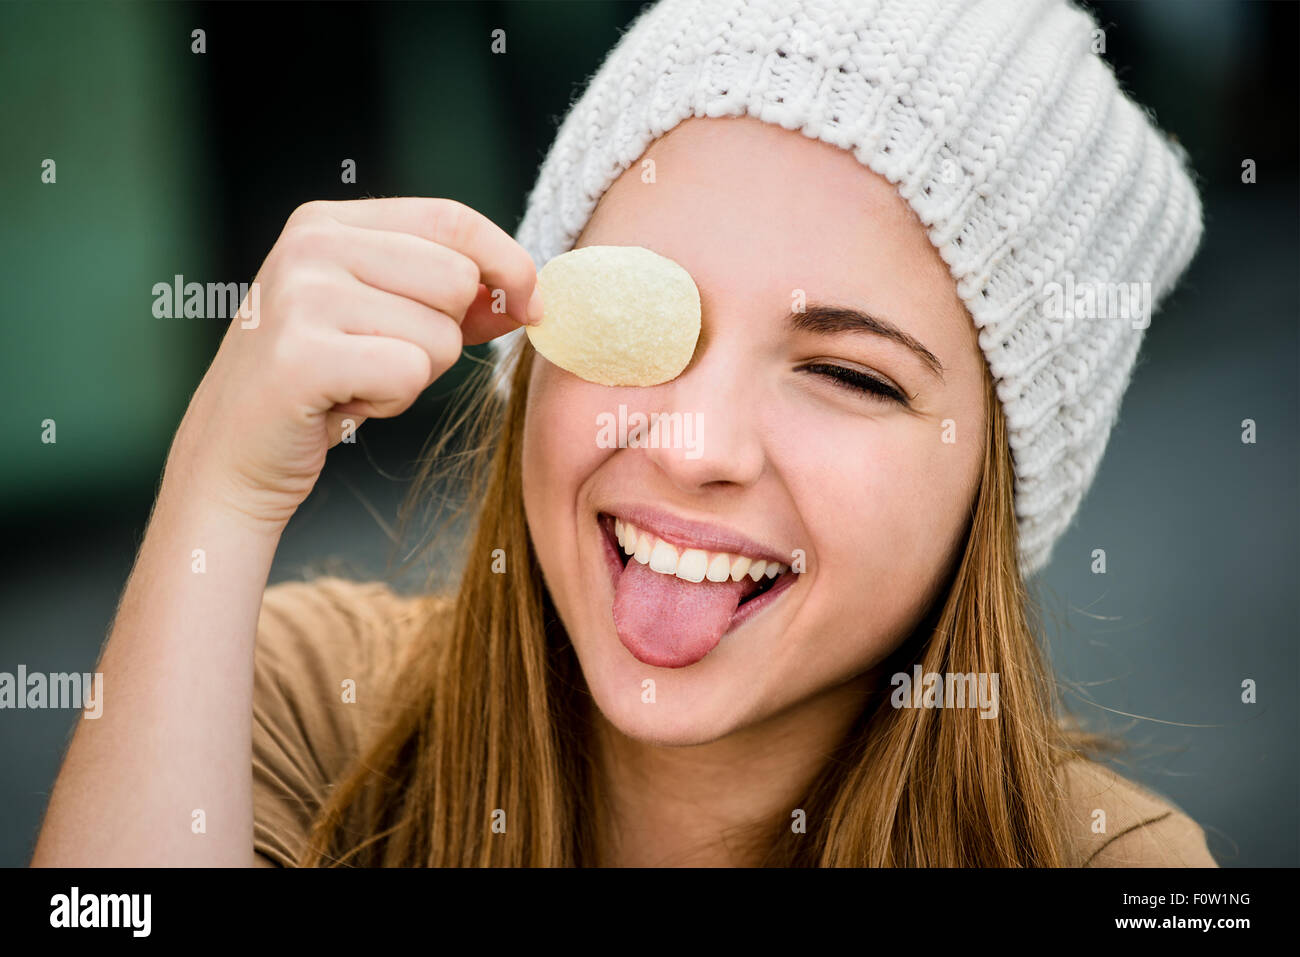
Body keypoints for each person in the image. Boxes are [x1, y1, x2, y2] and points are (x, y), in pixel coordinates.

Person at [33, 0, 1216, 867]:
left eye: (851, 375)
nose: (697, 441)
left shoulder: (1112, 864)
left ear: (996, 488)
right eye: (647, 319)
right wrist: (218, 488)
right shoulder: (306, 700)